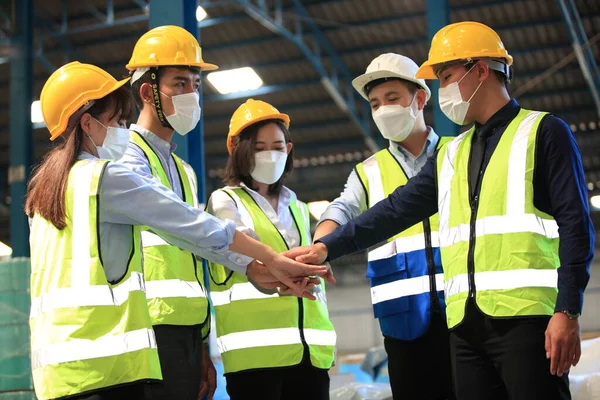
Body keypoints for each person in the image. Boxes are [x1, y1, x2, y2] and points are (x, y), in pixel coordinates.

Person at [286, 21, 594, 400]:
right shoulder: (453, 152)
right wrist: (326, 247)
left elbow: (576, 226)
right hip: (465, 327)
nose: (443, 89)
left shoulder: (543, 132)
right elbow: (394, 210)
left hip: (526, 321)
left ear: (481, 70)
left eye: (447, 76)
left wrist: (568, 310)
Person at [26, 62, 327, 400]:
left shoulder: (44, 189)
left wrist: (250, 268)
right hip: (106, 365)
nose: (122, 131)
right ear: (86, 122)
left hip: (58, 367)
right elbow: (187, 222)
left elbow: (179, 234)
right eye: (116, 122)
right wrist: (268, 257)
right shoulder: (104, 178)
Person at [315, 53, 453, 400]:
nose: (382, 110)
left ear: (420, 98)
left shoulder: (457, 153)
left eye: (392, 99)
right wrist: (320, 247)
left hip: (462, 312)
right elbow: (342, 207)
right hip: (402, 320)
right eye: (375, 104)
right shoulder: (368, 171)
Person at [206, 99, 336, 400]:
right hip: (255, 360)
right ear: (240, 150)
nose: (270, 154)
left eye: (277, 146)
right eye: (259, 146)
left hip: (311, 354)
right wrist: (295, 271)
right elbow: (248, 260)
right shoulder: (225, 202)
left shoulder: (301, 209)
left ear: (288, 150)